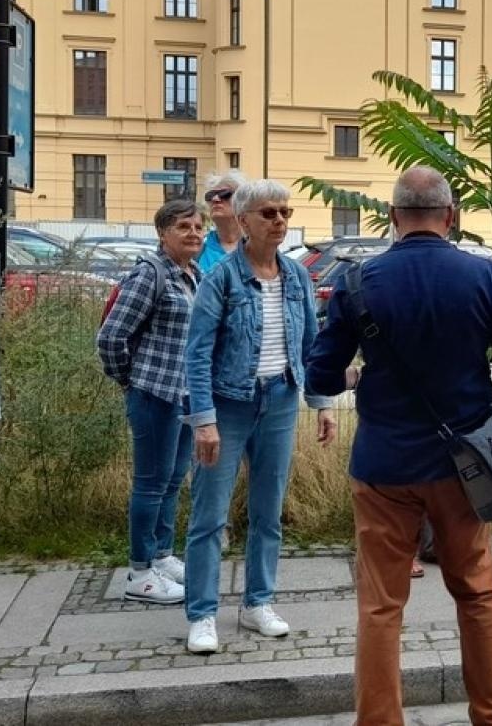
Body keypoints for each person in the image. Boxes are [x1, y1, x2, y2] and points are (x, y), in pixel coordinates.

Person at [306, 166, 492, 726]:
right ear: (450, 217)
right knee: (478, 593)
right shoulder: (486, 278)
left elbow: (321, 376)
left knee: (380, 607)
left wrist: (361, 374)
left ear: (392, 218)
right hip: (465, 468)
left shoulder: (359, 282)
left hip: (384, 465)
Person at [182, 179, 337, 654]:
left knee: (268, 510)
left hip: (281, 399)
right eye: (268, 213)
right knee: (210, 513)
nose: (279, 221)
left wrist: (322, 403)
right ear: (245, 220)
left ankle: (258, 602)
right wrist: (203, 420)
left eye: (284, 213)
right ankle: (203, 613)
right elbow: (197, 352)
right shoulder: (222, 279)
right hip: (229, 405)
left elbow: (312, 344)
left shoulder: (295, 276)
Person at [97, 198, 205, 605]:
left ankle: (161, 554)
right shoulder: (150, 275)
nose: (193, 233)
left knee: (174, 480)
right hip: (154, 395)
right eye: (183, 227)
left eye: (197, 227)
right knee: (150, 483)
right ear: (163, 233)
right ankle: (139, 571)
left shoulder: (190, 275)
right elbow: (111, 336)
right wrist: (131, 380)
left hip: (184, 396)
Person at [197, 170, 247, 274]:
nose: (215, 199)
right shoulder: (197, 249)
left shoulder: (259, 247)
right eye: (210, 195)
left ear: (242, 201)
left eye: (225, 194)